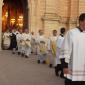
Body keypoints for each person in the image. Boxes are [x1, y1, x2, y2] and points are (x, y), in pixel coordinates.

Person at [60, 13, 85, 85]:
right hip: (74, 68)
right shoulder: (71, 33)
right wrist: (64, 66)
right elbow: (65, 50)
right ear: (81, 21)